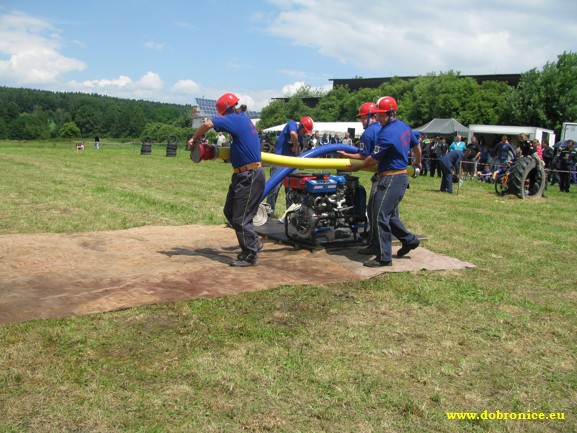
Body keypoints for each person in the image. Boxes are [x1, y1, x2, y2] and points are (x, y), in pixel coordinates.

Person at [188, 93, 265, 267]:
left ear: (225, 110)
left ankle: (250, 255)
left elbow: (207, 124)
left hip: (250, 175)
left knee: (241, 218)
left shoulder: (234, 118)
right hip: (242, 175)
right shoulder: (242, 119)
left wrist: (194, 139)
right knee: (229, 211)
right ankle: (253, 242)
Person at [346, 96, 422, 268]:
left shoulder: (387, 134)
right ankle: (409, 240)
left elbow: (373, 159)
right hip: (396, 178)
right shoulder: (404, 127)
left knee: (380, 216)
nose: (379, 118)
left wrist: (357, 167)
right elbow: (416, 145)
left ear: (392, 113)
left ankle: (384, 258)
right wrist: (418, 161)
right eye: (377, 115)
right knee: (387, 214)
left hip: (391, 179)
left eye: (382, 115)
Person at [336, 102, 381, 256]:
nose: (362, 121)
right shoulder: (384, 129)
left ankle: (375, 242)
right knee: (388, 213)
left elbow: (363, 155)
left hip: (383, 176)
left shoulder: (369, 133)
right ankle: (403, 238)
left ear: (372, 117)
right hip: (394, 174)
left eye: (363, 118)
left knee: (374, 210)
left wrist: (346, 155)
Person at [265, 116, 314, 216]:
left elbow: (299, 151)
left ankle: (290, 215)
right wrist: (295, 146)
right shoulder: (292, 124)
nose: (305, 134)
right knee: (274, 188)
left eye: (306, 132)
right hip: (279, 161)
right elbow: (293, 134)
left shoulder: (301, 138)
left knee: (292, 190)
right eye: (304, 131)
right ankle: (268, 213)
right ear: (300, 125)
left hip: (292, 164)